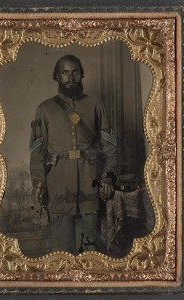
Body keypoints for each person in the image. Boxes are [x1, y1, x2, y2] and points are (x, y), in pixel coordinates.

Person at [29, 55, 117, 255]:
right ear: (57, 76)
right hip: (58, 186)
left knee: (88, 252)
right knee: (61, 252)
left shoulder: (96, 106)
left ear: (81, 74)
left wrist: (108, 178)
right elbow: (36, 153)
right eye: (65, 72)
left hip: (89, 184)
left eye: (75, 71)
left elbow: (110, 148)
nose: (71, 77)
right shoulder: (44, 109)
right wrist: (39, 184)